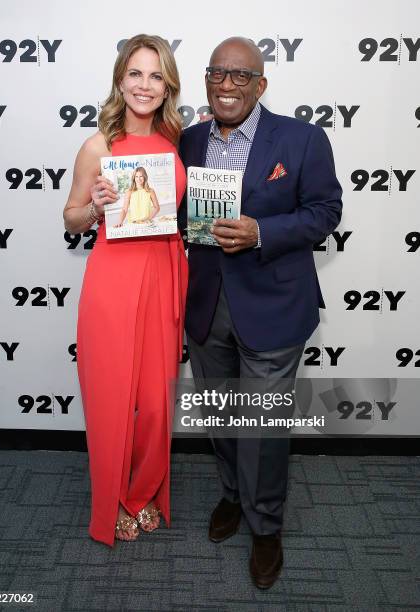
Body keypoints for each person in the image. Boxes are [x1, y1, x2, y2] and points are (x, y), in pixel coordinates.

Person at [179, 37, 342, 588]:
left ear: (261, 84)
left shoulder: (302, 138)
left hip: (273, 303)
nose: (227, 85)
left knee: (265, 424)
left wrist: (261, 232)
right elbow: (171, 210)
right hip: (205, 304)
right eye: (217, 74)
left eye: (241, 76)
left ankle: (265, 524)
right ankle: (231, 494)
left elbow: (325, 211)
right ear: (206, 80)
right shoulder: (188, 140)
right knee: (221, 414)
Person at [63, 34, 187, 546]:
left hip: (165, 274)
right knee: (114, 398)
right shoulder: (98, 145)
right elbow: (71, 221)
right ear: (120, 79)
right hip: (114, 279)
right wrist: (94, 205)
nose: (144, 85)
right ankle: (112, 501)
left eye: (156, 76)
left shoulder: (176, 140)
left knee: (157, 403)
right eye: (135, 73)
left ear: (167, 87)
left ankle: (142, 492)